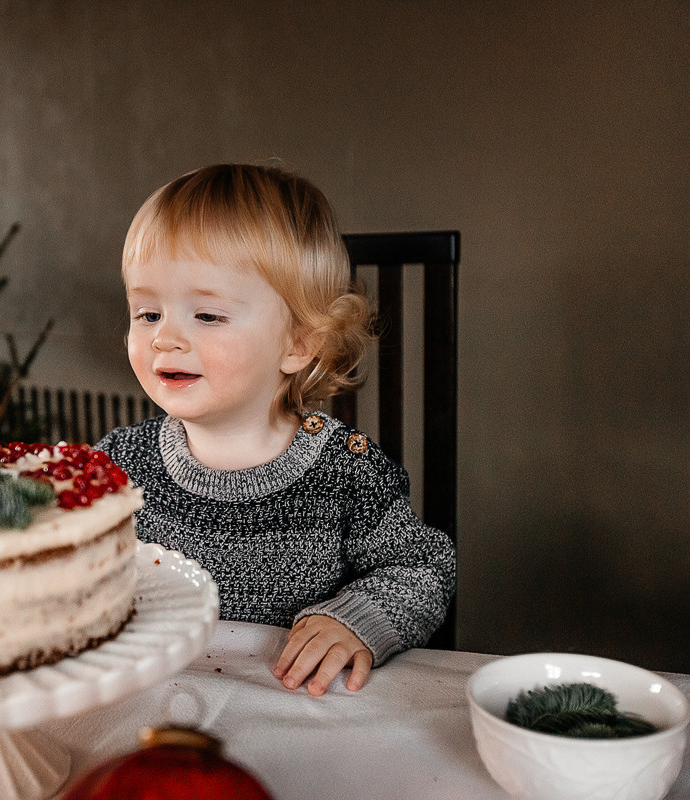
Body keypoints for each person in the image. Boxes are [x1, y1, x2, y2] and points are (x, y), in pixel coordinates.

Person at [95, 164, 455, 697]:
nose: (164, 338)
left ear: (299, 343)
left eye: (208, 316)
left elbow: (422, 569)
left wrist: (356, 619)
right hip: (156, 708)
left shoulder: (347, 472)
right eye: (147, 313)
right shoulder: (117, 466)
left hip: (296, 713)